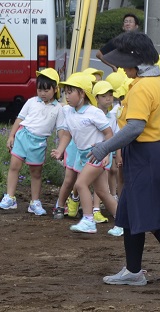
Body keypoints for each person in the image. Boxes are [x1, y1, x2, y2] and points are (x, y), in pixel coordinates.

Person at [87, 31, 160, 286]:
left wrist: (103, 148)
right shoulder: (158, 80)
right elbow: (104, 55)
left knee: (158, 221)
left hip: (148, 156)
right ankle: (133, 271)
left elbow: (134, 128)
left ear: (137, 60)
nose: (119, 66)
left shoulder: (143, 86)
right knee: (130, 216)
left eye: (123, 60)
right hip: (150, 155)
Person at [51, 74, 114, 234]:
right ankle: (124, 223)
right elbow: (67, 135)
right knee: (102, 193)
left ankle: (88, 220)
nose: (67, 96)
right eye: (65, 92)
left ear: (82, 93)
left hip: (97, 154)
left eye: (71, 92)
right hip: (83, 156)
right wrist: (60, 150)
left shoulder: (94, 112)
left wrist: (106, 152)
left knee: (80, 184)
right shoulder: (69, 112)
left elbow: (109, 134)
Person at [0, 68, 64, 215]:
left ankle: (35, 202)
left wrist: (61, 147)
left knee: (36, 172)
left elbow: (61, 129)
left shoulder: (58, 109)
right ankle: (10, 197)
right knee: (14, 166)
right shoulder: (31, 102)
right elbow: (19, 119)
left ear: (55, 89)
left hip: (39, 143)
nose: (42, 93)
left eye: (46, 90)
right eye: (40, 90)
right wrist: (11, 136)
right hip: (23, 136)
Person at [92, 80, 124, 236]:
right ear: (96, 98)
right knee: (99, 181)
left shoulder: (112, 116)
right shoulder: (92, 113)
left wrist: (118, 155)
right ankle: (96, 209)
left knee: (105, 179)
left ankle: (109, 205)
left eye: (110, 95)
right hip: (96, 152)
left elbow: (117, 137)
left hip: (108, 152)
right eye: (104, 96)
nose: (108, 99)